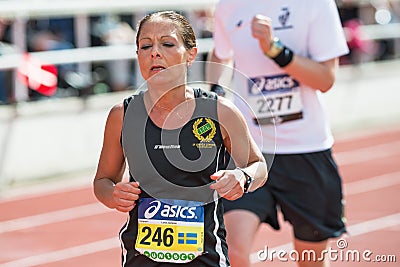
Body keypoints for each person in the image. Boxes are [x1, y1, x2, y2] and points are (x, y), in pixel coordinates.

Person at [93, 11, 268, 267]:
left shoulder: (220, 111)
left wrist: (242, 176)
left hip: (205, 257)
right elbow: (102, 181)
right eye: (145, 46)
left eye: (167, 43)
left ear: (191, 54)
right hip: (140, 258)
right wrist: (113, 194)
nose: (154, 52)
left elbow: (259, 165)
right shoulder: (123, 115)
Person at [207, 1, 349, 266]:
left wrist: (275, 50)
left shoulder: (316, 5)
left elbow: (326, 79)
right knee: (232, 250)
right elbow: (221, 53)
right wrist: (214, 93)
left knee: (310, 260)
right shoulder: (229, 5)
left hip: (306, 151)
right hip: (248, 151)